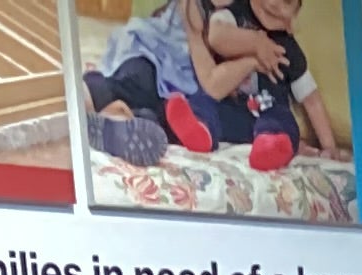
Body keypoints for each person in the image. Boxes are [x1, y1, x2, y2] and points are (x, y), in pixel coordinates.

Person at [81, 0, 262, 168]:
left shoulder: (253, 17)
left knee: (166, 119)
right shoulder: (194, 11)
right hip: (156, 57)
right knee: (133, 83)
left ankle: (118, 121)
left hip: (184, 92)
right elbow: (211, 67)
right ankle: (84, 99)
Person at [169, 0, 343, 174]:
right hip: (233, 108)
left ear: (292, 21)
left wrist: (329, 146)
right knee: (203, 102)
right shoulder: (237, 16)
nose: (274, 5)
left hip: (269, 111)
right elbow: (216, 36)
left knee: (283, 120)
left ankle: (271, 147)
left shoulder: (289, 49)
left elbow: (311, 99)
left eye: (287, 2)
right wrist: (255, 44)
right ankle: (200, 130)